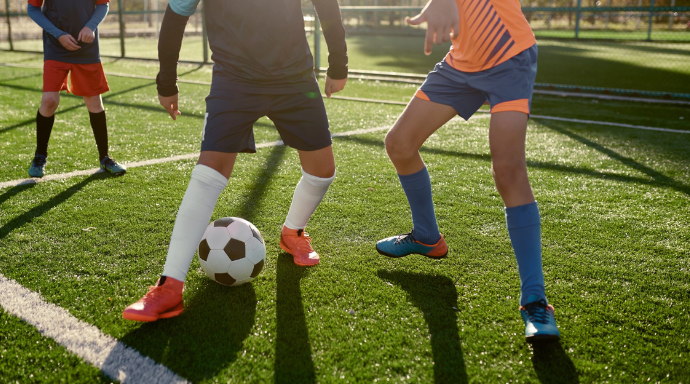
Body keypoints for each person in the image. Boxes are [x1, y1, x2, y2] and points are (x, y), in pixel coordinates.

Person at [122, 0, 348, 322]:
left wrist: (338, 64)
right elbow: (175, 18)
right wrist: (166, 81)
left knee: (322, 172)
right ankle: (169, 286)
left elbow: (326, 4)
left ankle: (292, 233)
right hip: (235, 81)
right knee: (208, 172)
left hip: (295, 79)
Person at [375, 0, 560, 341]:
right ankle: (427, 238)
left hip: (509, 57)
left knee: (508, 171)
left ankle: (536, 301)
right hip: (460, 63)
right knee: (399, 143)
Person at [26, 0, 126, 177]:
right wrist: (58, 34)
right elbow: (33, 9)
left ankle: (105, 158)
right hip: (56, 45)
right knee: (49, 101)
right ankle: (40, 156)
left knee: (94, 102)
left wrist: (90, 27)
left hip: (86, 46)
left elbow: (103, 5)